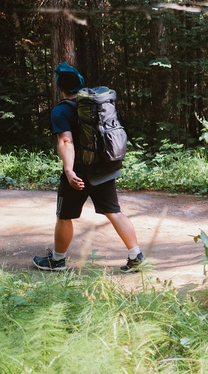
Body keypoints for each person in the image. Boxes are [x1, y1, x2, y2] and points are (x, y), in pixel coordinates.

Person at [33, 62, 144, 273]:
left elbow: (66, 142)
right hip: (104, 168)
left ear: (60, 87)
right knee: (115, 212)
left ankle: (57, 260)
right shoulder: (97, 105)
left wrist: (69, 171)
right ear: (81, 85)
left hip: (79, 174)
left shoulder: (61, 111)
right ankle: (135, 255)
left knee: (64, 216)